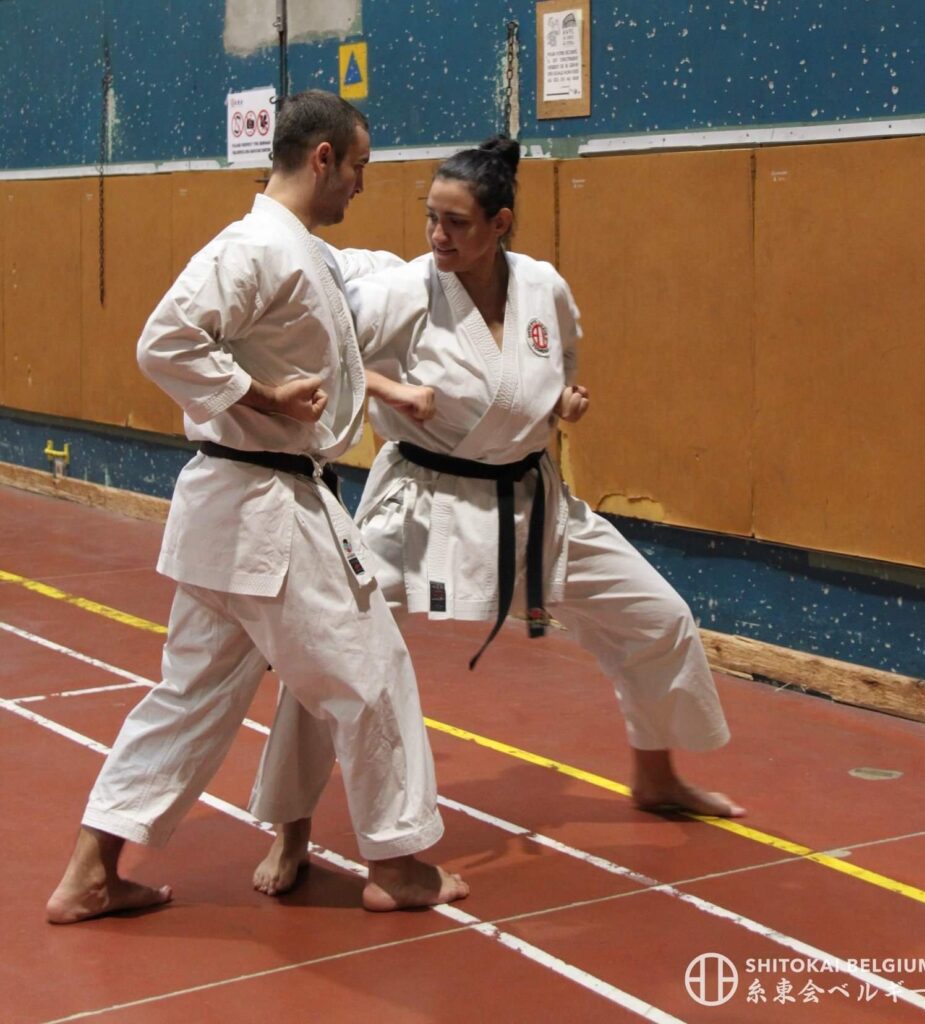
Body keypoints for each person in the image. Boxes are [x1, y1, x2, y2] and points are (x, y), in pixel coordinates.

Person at [248, 136, 744, 897]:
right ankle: (291, 830)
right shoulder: (405, 292)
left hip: (531, 501)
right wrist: (392, 391)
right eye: (431, 218)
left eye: (456, 223)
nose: (438, 236)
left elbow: (557, 366)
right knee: (331, 648)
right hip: (424, 505)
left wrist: (562, 401)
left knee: (657, 617)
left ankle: (656, 775)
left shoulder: (543, 287)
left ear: (500, 223)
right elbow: (323, 355)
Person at [45, 90, 469, 924]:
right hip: (267, 510)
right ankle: (397, 864)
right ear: (322, 158)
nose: (360, 185)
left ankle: (90, 872)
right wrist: (262, 395)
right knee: (372, 674)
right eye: (357, 168)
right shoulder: (254, 248)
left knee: (190, 698)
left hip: (234, 516)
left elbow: (357, 284)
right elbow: (164, 342)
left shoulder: (296, 250)